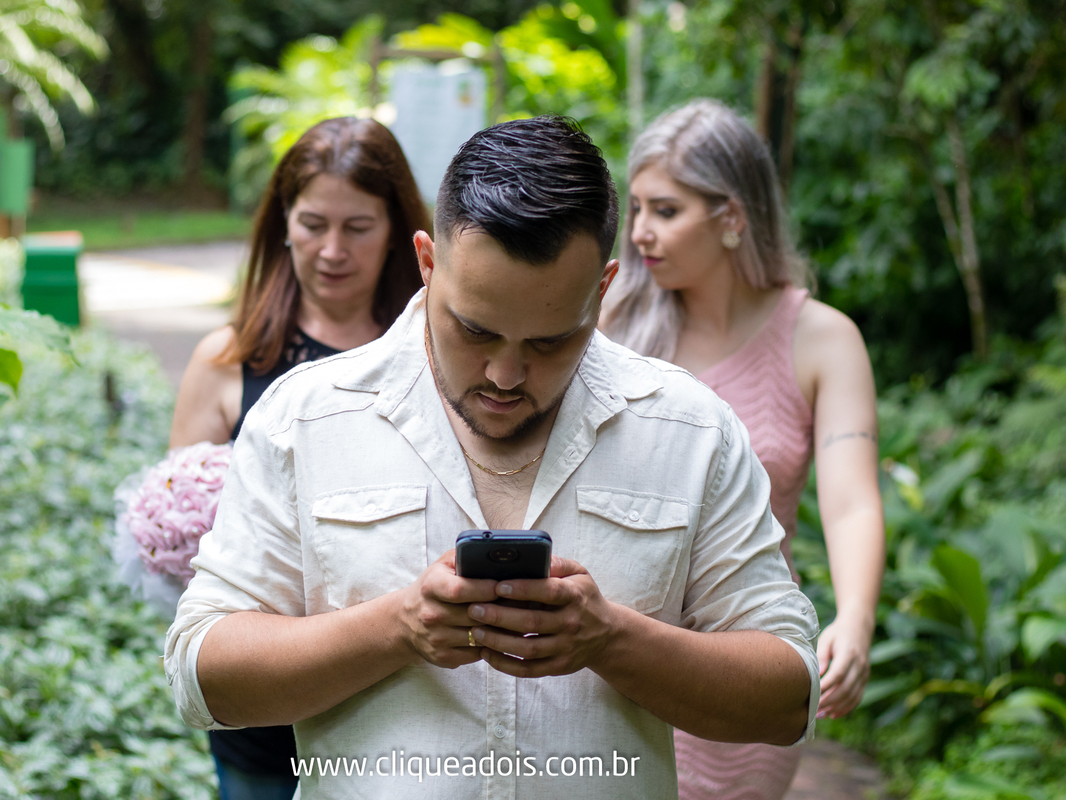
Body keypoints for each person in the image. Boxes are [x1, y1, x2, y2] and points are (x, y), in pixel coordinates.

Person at [165, 115, 821, 800]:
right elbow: (199, 675)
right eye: (474, 330)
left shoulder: (689, 431)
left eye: (550, 341)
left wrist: (610, 641)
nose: (506, 375)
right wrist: (398, 626)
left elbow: (787, 696)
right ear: (427, 262)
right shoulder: (304, 419)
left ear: (602, 289)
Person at [601, 99, 886, 799]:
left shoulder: (822, 338)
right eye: (634, 208)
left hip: (745, 660)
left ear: (732, 217)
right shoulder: (607, 322)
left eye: (665, 211)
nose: (639, 233)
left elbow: (850, 502)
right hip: (606, 658)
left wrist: (855, 620)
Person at [168, 116, 428, 800]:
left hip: (401, 696)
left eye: (359, 227)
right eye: (313, 224)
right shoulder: (229, 361)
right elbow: (181, 545)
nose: (332, 250)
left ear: (401, 230)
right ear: (282, 223)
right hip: (264, 714)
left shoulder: (433, 358)